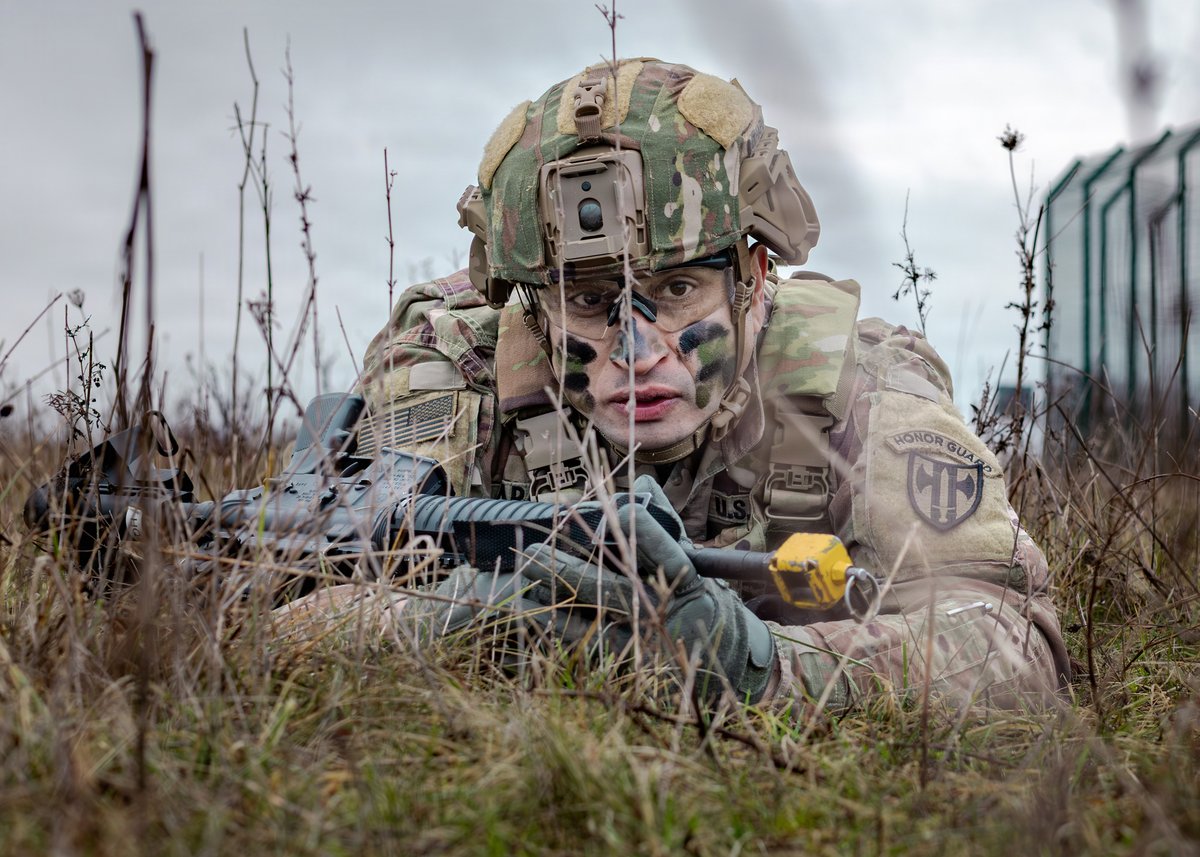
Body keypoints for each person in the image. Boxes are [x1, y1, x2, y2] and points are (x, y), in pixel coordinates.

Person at [284, 58, 1069, 712]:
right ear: (535, 307)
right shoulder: (457, 367)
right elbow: (283, 610)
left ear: (753, 279)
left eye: (678, 291)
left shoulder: (857, 389)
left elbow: (1014, 642)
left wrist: (762, 667)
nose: (635, 351)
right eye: (588, 301)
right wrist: (465, 620)